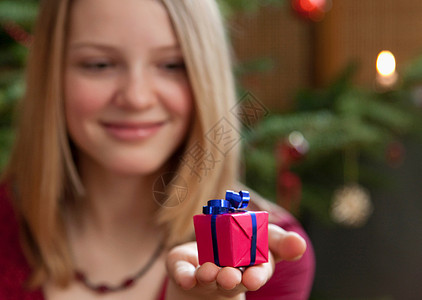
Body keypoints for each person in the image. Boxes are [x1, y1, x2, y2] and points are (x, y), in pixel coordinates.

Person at [0, 0, 315, 299]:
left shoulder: (272, 257)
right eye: (99, 64)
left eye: (171, 65)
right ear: (51, 77)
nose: (136, 97)